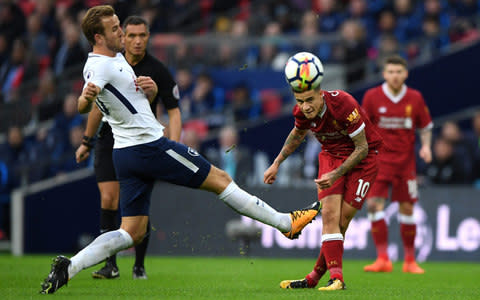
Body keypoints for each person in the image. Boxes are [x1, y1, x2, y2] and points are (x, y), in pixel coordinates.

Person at [40, 5, 320, 294]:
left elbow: (116, 99)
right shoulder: (100, 65)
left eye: (119, 26)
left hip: (126, 154)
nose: (120, 32)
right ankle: (286, 223)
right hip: (148, 147)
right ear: (98, 37)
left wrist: (146, 91)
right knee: (221, 180)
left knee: (131, 232)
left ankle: (69, 266)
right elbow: (85, 102)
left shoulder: (111, 58)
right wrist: (86, 100)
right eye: (114, 29)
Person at [75, 15, 182, 281]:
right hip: (110, 139)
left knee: (137, 209)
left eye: (141, 35)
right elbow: (96, 106)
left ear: (148, 37)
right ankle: (110, 263)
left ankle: (139, 264)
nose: (134, 40)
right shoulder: (111, 61)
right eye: (129, 34)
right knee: (109, 199)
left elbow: (174, 111)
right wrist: (86, 141)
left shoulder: (156, 69)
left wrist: (175, 145)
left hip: (142, 142)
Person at [266, 52, 383, 291]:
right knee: (329, 217)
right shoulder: (302, 112)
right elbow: (296, 136)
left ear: (320, 93)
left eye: (309, 100)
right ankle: (337, 279)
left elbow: (362, 148)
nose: (305, 107)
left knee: (341, 221)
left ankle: (312, 278)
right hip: (330, 156)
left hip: (364, 159)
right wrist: (277, 162)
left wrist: (336, 174)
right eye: (300, 101)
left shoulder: (344, 104)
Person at [361, 55, 432, 274]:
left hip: (405, 163)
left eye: (398, 72)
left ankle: (410, 260)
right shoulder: (372, 97)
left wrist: (426, 146)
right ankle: (383, 258)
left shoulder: (415, 98)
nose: (394, 76)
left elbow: (426, 125)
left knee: (408, 208)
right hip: (379, 162)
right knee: (373, 205)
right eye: (390, 72)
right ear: (384, 74)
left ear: (405, 74)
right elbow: (362, 127)